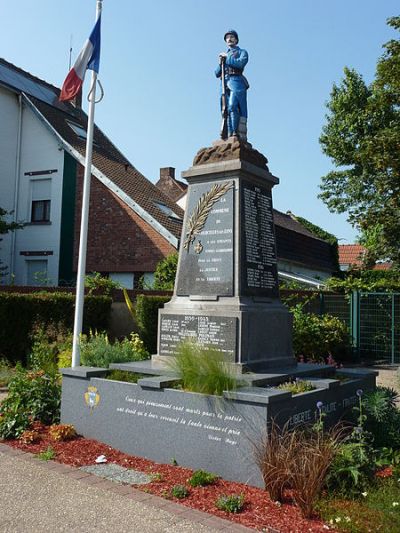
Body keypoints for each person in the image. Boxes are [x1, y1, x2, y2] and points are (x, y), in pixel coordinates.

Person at [215, 29, 249, 141]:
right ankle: (228, 133)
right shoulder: (223, 56)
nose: (229, 39)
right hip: (224, 82)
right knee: (225, 109)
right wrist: (220, 63)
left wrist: (227, 58)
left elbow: (240, 63)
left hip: (236, 81)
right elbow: (216, 73)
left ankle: (235, 132)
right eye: (227, 37)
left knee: (233, 105)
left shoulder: (242, 52)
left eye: (232, 37)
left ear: (236, 40)